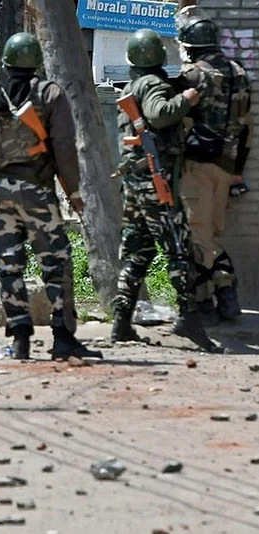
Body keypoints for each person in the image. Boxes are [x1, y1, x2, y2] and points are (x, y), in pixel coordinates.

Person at [0, 32, 100, 361]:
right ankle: (63, 337)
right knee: (56, 262)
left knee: (9, 265)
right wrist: (74, 191)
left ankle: (20, 339)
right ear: (37, 61)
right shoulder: (50, 94)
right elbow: (65, 150)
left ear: (6, 63)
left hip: (1, 196)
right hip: (38, 192)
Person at [112, 28, 220, 352]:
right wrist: (186, 99)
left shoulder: (132, 86)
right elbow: (159, 115)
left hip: (135, 183)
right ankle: (189, 319)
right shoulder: (153, 85)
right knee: (178, 248)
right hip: (155, 183)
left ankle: (121, 322)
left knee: (138, 252)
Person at [176, 8, 251, 323]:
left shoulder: (194, 75)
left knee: (198, 236)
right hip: (227, 166)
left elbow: (174, 115)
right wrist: (237, 171)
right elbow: (245, 127)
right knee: (209, 233)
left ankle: (221, 293)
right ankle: (212, 299)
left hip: (197, 165)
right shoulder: (238, 72)